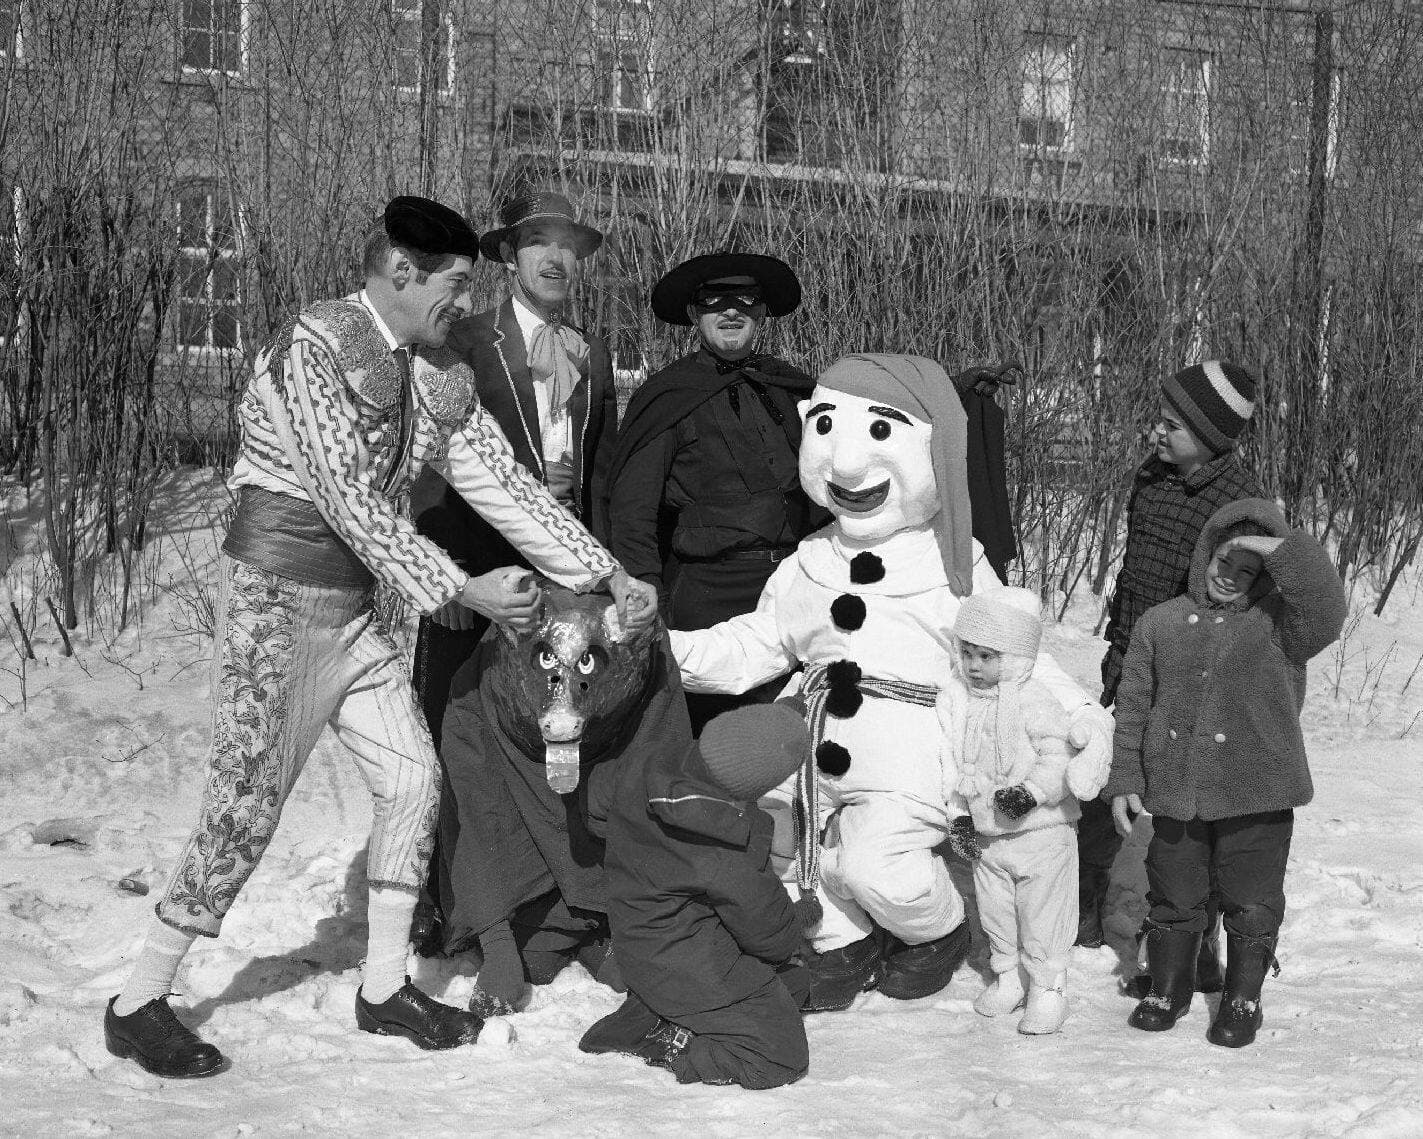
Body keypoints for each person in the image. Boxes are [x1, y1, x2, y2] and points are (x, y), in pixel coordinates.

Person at [102, 196, 656, 1079]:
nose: (462, 303)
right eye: (454, 284)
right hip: (274, 611)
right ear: (400, 271)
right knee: (243, 806)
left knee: (411, 779)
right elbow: (348, 500)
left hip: (354, 611)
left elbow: (502, 483)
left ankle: (383, 982)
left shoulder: (432, 369)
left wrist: (602, 573)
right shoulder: (309, 348)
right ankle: (136, 1000)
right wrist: (458, 584)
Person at [671, 355, 1112, 1010]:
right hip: (807, 738)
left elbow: (1015, 650)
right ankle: (842, 942)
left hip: (905, 750)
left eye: (880, 434)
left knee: (874, 863)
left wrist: (1077, 711)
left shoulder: (948, 561)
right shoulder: (810, 559)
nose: (847, 467)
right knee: (788, 846)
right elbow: (758, 641)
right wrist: (662, 650)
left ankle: (935, 930)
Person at [409, 189, 617, 952]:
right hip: (476, 570)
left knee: (546, 734)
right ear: (507, 256)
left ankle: (535, 896)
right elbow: (431, 464)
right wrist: (444, 581)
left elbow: (600, 472)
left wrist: (599, 577)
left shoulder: (589, 354)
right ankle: (439, 901)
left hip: (561, 577)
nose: (556, 258)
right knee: (448, 731)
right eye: (538, 243)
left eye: (568, 246)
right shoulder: (462, 338)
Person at [1104, 498, 1346, 1048]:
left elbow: (1329, 610)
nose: (1230, 578)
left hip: (1258, 791)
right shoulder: (1159, 623)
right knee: (1175, 891)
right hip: (1177, 791)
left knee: (1251, 897)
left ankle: (1243, 996)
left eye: (1248, 570)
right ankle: (1171, 987)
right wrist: (1125, 780)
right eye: (1222, 561)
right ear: (1204, 555)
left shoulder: (1282, 625)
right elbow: (1134, 707)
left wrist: (1280, 549)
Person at [1079, 360, 1266, 969]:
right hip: (1127, 649)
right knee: (1101, 773)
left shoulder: (1239, 503)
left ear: (1212, 439)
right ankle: (1081, 909)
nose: (1155, 435)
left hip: (1190, 666)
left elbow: (1237, 595)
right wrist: (1120, 641)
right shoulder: (1152, 477)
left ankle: (1195, 942)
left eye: (1172, 427)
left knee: (1187, 805)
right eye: (1158, 421)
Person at [605, 252, 826, 735]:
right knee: (707, 743)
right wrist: (645, 593)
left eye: (745, 300)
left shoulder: (790, 388)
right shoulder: (668, 395)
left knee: (788, 737)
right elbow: (632, 509)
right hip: (707, 595)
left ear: (762, 312)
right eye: (714, 301)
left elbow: (862, 446)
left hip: (791, 590)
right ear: (693, 314)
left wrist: (956, 397)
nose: (730, 311)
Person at [578, 702, 812, 1090]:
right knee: (779, 1053)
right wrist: (795, 918)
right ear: (759, 783)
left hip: (640, 940)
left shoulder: (650, 760)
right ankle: (672, 1041)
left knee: (795, 985)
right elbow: (771, 939)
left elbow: (596, 804)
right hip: (688, 964)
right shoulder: (725, 844)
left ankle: (652, 1012)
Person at [943, 589, 1077, 1035]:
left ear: (1016, 657)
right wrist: (959, 815)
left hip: (1041, 833)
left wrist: (1032, 792)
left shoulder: (1033, 699)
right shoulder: (962, 704)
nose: (974, 666)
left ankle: (1048, 986)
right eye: (968, 654)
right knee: (996, 912)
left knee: (1041, 915)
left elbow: (1057, 754)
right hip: (989, 838)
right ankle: (1008, 975)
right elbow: (956, 767)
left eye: (987, 656)